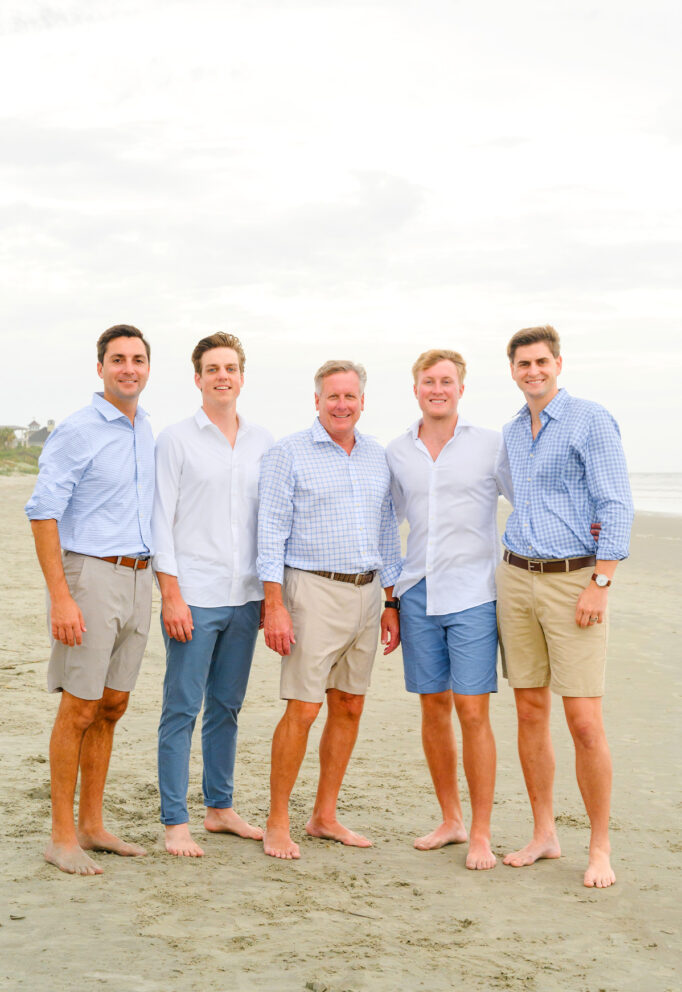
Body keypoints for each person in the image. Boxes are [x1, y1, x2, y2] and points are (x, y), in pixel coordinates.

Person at [497, 324, 633, 888]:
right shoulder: (510, 431)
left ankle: (599, 848)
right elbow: (513, 495)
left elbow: (616, 500)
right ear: (512, 370)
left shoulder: (589, 419)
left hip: (573, 579)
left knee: (583, 721)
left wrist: (601, 581)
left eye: (541, 361)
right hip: (515, 577)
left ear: (558, 363)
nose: (533, 371)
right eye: (523, 363)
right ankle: (544, 833)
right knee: (530, 712)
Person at [257, 360, 401, 860]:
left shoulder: (377, 456)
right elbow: (270, 532)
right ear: (316, 400)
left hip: (367, 593)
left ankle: (324, 816)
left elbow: (387, 531)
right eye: (333, 396)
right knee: (304, 707)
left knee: (349, 704)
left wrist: (390, 600)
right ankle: (278, 821)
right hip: (312, 591)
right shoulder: (287, 454)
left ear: (363, 401)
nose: (342, 404)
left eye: (351, 397)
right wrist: (273, 604)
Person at [25, 324, 154, 876]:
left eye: (138, 359)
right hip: (91, 577)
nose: (129, 367)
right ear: (99, 367)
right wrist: (61, 597)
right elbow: (42, 511)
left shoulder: (146, 428)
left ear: (149, 368)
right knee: (78, 707)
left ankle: (93, 826)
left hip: (139, 576)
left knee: (112, 706)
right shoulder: (77, 430)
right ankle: (60, 838)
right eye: (118, 359)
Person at [386, 349, 512, 870]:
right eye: (428, 381)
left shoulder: (490, 446)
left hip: (473, 594)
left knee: (472, 710)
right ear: (415, 388)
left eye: (446, 381)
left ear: (461, 388)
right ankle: (451, 820)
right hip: (417, 593)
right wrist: (391, 599)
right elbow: (383, 526)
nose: (437, 388)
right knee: (433, 707)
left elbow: (527, 498)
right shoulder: (397, 452)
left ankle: (481, 832)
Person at [152, 332, 273, 857]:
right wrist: (172, 596)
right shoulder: (176, 439)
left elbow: (269, 523)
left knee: (226, 707)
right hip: (194, 596)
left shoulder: (263, 442)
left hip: (245, 596)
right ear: (197, 377)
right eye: (212, 368)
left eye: (230, 367)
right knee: (181, 708)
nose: (222, 376)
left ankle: (220, 809)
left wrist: (271, 596)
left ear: (242, 376)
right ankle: (175, 821)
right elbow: (161, 522)